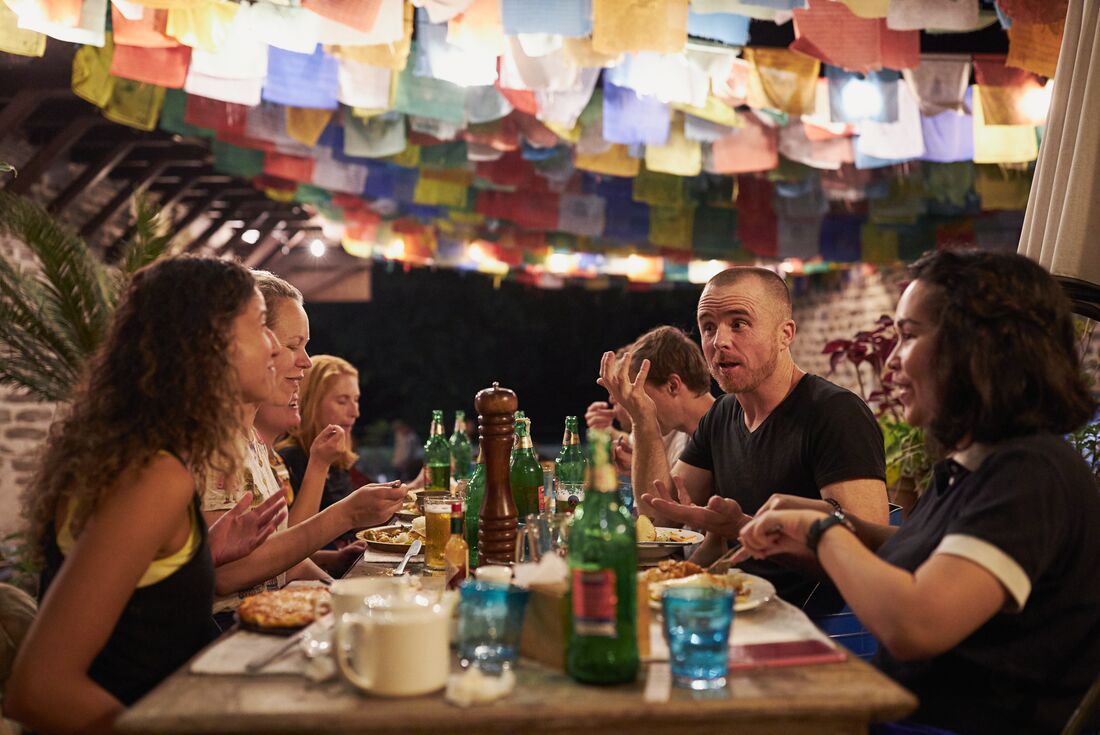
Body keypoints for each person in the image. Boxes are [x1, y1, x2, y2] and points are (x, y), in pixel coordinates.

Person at [739, 250, 1100, 734]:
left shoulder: (1030, 473)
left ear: (979, 347)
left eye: (908, 336)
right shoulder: (977, 463)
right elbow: (933, 554)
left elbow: (915, 626)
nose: (890, 363)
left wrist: (823, 530)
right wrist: (838, 524)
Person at [5, 257, 281, 730]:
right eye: (260, 324)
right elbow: (39, 687)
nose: (274, 345)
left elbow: (140, 610)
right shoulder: (153, 474)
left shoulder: (139, 455)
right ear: (208, 344)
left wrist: (203, 554)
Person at [600, 266, 888, 607]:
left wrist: (740, 528)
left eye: (739, 323)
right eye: (708, 327)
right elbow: (660, 516)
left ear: (785, 334)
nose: (718, 341)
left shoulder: (835, 412)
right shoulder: (723, 414)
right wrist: (644, 421)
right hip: (728, 601)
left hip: (807, 623)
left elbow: (868, 550)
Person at [604, 326, 715, 477]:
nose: (634, 407)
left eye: (639, 396)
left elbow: (656, 499)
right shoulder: (695, 436)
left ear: (672, 386)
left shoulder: (725, 436)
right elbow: (668, 497)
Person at [278, 356, 368, 514]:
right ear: (312, 404)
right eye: (342, 401)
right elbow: (296, 534)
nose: (356, 413)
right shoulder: (290, 460)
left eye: (356, 400)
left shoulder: (338, 458)